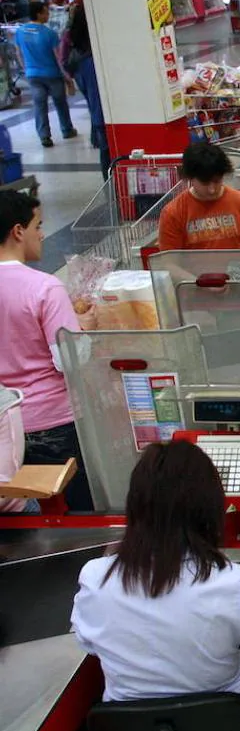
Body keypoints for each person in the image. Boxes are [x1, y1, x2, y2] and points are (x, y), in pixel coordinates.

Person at [70, 441, 240, 731]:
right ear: (209, 507)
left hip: (134, 729)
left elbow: (86, 642)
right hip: (227, 725)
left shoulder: (95, 577)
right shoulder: (231, 582)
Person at [0, 191, 95, 513]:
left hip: (4, 425)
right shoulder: (44, 287)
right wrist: (83, 328)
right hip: (53, 423)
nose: (42, 234)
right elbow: (69, 359)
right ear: (18, 231)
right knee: (74, 509)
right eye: (38, 225)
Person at [158, 143, 240, 252]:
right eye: (205, 183)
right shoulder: (173, 213)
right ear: (190, 178)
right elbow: (169, 262)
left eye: (217, 181)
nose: (212, 190)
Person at [16, 1, 77, 148]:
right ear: (38, 14)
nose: (48, 15)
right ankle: (67, 129)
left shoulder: (20, 31)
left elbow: (19, 53)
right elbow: (58, 57)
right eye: (46, 12)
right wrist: (67, 78)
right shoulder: (49, 33)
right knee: (60, 103)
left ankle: (44, 136)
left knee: (39, 105)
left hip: (33, 75)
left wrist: (26, 69)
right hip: (52, 75)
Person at [60, 4, 107, 173]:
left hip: (98, 117)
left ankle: (112, 192)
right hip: (106, 117)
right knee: (109, 155)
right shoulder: (94, 60)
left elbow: (64, 61)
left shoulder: (77, 54)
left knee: (105, 153)